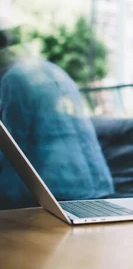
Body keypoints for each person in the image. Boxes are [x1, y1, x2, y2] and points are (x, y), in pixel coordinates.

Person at [0, 20, 114, 209]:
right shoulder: (50, 69)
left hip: (56, 191)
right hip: (98, 184)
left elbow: (12, 146)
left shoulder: (14, 80)